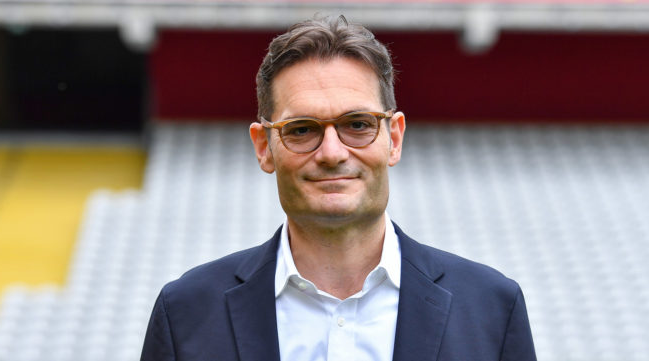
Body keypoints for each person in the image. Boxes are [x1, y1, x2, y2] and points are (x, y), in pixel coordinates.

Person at [141, 15, 536, 361]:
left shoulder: (492, 309)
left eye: (358, 124)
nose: (332, 152)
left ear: (394, 138)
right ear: (264, 148)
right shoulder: (186, 313)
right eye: (301, 129)